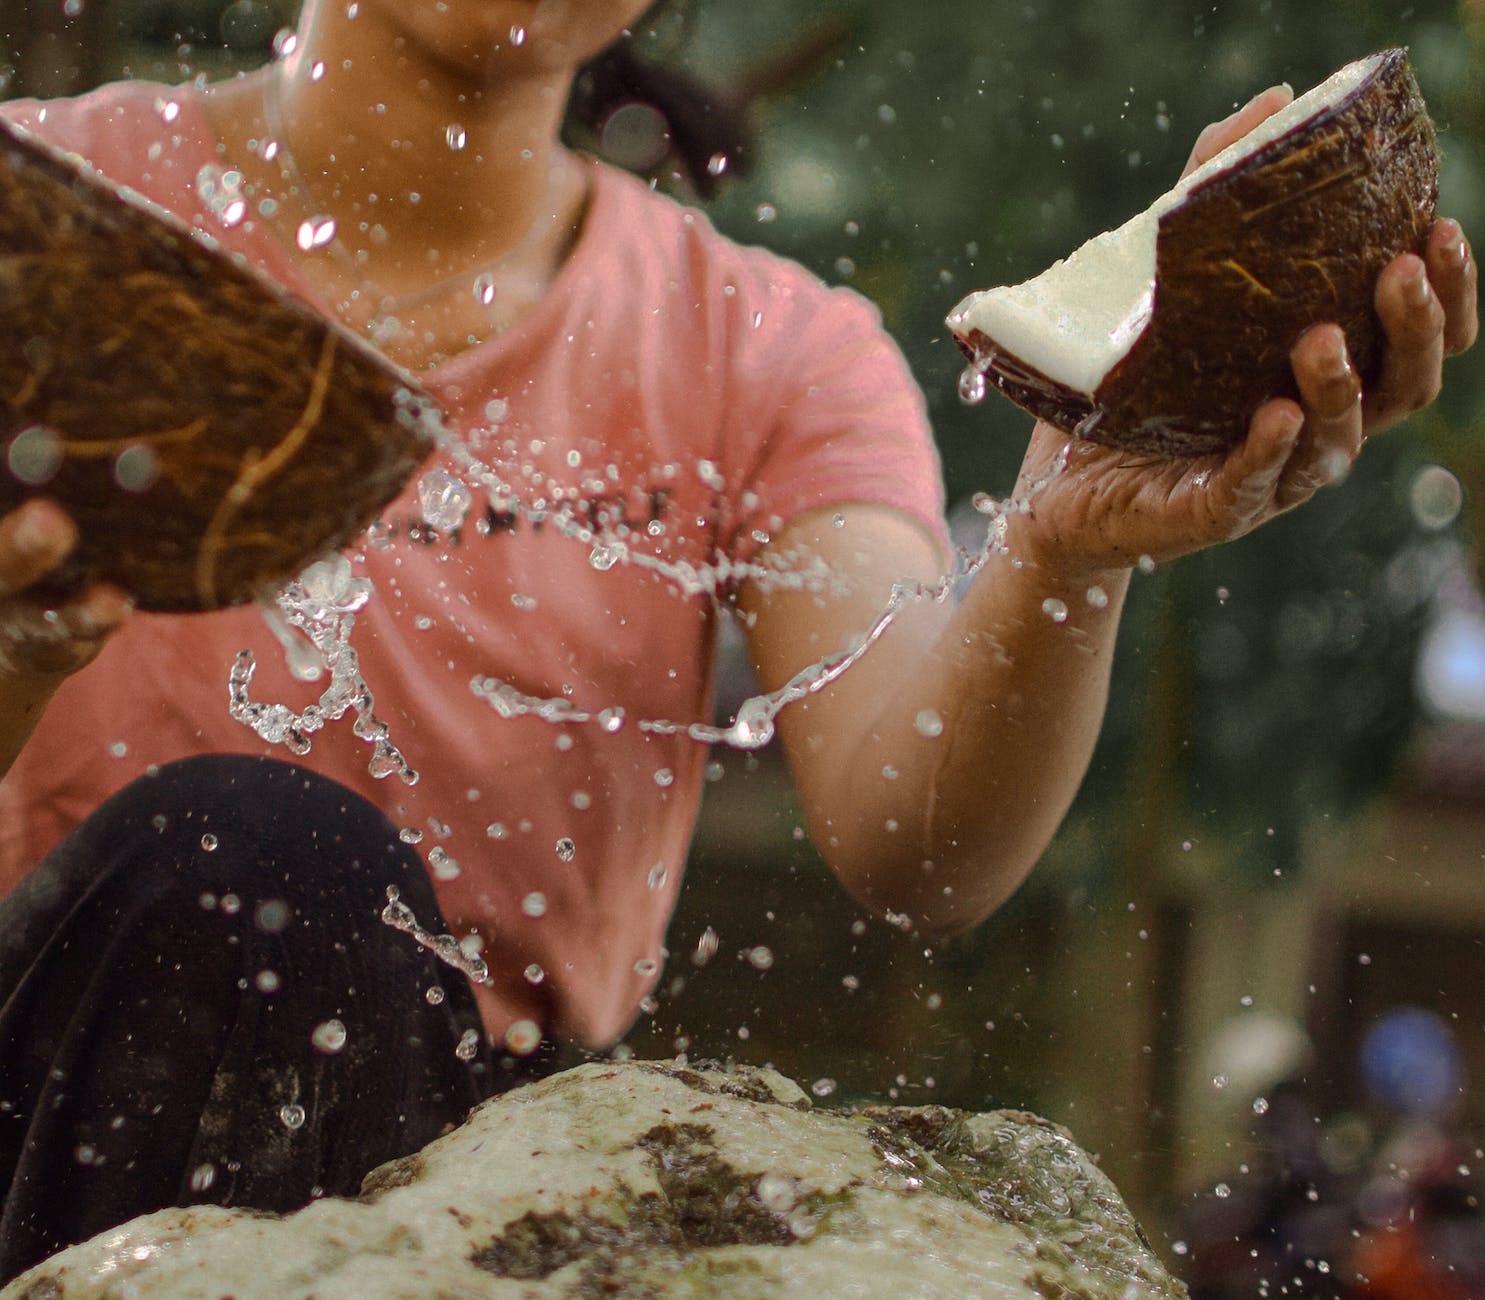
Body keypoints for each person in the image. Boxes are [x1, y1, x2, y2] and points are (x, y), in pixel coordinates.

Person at [0, 0, 1475, 1277]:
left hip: (459, 1184)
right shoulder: (40, 212)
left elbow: (920, 846)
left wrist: (1058, 549)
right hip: (31, 1083)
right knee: (248, 858)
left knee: (285, 867)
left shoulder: (768, 351)